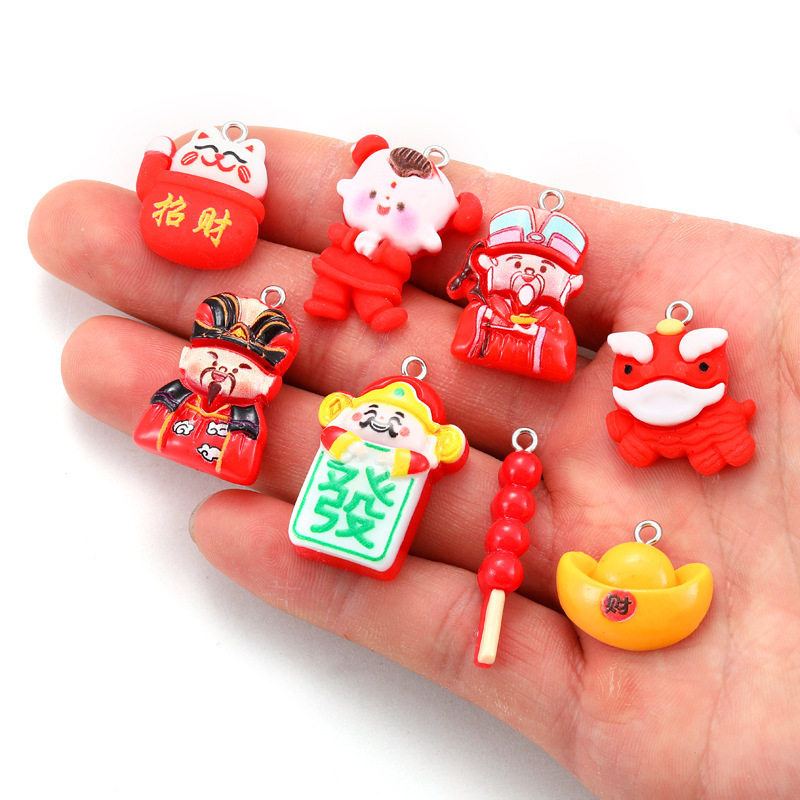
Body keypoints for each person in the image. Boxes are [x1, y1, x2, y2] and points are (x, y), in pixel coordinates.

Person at [28, 126, 800, 800]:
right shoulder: (443, 332)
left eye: (541, 272)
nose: (527, 280)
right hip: (353, 297)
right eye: (517, 266)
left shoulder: (544, 339)